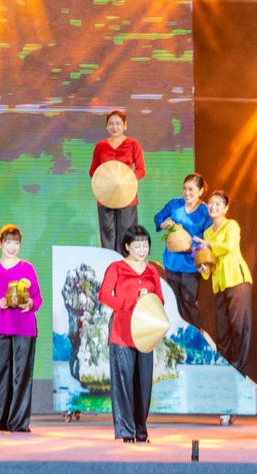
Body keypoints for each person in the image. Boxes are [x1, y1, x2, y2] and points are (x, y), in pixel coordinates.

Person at [98, 224, 162, 443]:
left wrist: (148, 304)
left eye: (145, 245)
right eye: (137, 245)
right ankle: (126, 431)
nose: (141, 250)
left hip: (145, 333)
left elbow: (160, 300)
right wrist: (130, 304)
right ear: (127, 246)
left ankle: (141, 431)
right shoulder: (116, 268)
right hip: (122, 332)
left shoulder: (152, 271)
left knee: (144, 385)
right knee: (124, 383)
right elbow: (104, 295)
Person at [0, 224, 43, 434]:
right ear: (0, 243)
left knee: (22, 374)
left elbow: (37, 297)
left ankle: (19, 422)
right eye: (8, 242)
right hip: (1, 325)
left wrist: (30, 304)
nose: (12, 247)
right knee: (1, 373)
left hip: (25, 326)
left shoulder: (27, 268)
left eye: (16, 243)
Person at [198, 191, 252, 370]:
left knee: (239, 327)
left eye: (218, 204)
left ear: (226, 208)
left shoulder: (231, 225)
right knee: (222, 331)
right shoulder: (207, 232)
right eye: (210, 203)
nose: (213, 207)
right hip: (219, 285)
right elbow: (209, 261)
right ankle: (224, 371)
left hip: (236, 280)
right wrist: (204, 268)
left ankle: (239, 372)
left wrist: (208, 245)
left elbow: (229, 247)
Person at [152, 173, 211, 326]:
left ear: (200, 191)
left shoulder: (205, 211)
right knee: (173, 302)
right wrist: (163, 223)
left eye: (191, 189)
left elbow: (209, 239)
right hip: (172, 261)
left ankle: (193, 334)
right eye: (184, 188)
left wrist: (193, 247)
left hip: (191, 265)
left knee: (189, 302)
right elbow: (158, 217)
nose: (187, 193)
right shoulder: (175, 204)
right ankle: (175, 335)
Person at [89, 109, 146, 252]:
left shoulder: (133, 144)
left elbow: (141, 170)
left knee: (127, 233)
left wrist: (124, 180)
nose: (114, 127)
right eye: (111, 124)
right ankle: (109, 263)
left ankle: (125, 263)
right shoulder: (100, 146)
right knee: (107, 233)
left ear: (125, 125)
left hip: (127, 196)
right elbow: (93, 171)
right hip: (105, 196)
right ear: (106, 126)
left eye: (118, 124)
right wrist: (106, 181)